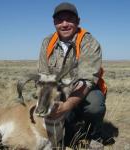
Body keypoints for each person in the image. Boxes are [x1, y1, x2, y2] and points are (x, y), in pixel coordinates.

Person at [38, 2, 107, 149]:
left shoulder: (89, 42)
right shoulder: (47, 42)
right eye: (59, 20)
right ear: (54, 23)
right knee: (63, 134)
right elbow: (44, 75)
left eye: (69, 19)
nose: (64, 24)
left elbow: (87, 80)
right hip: (59, 91)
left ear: (78, 22)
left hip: (85, 90)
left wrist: (67, 105)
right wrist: (48, 100)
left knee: (95, 105)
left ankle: (94, 136)